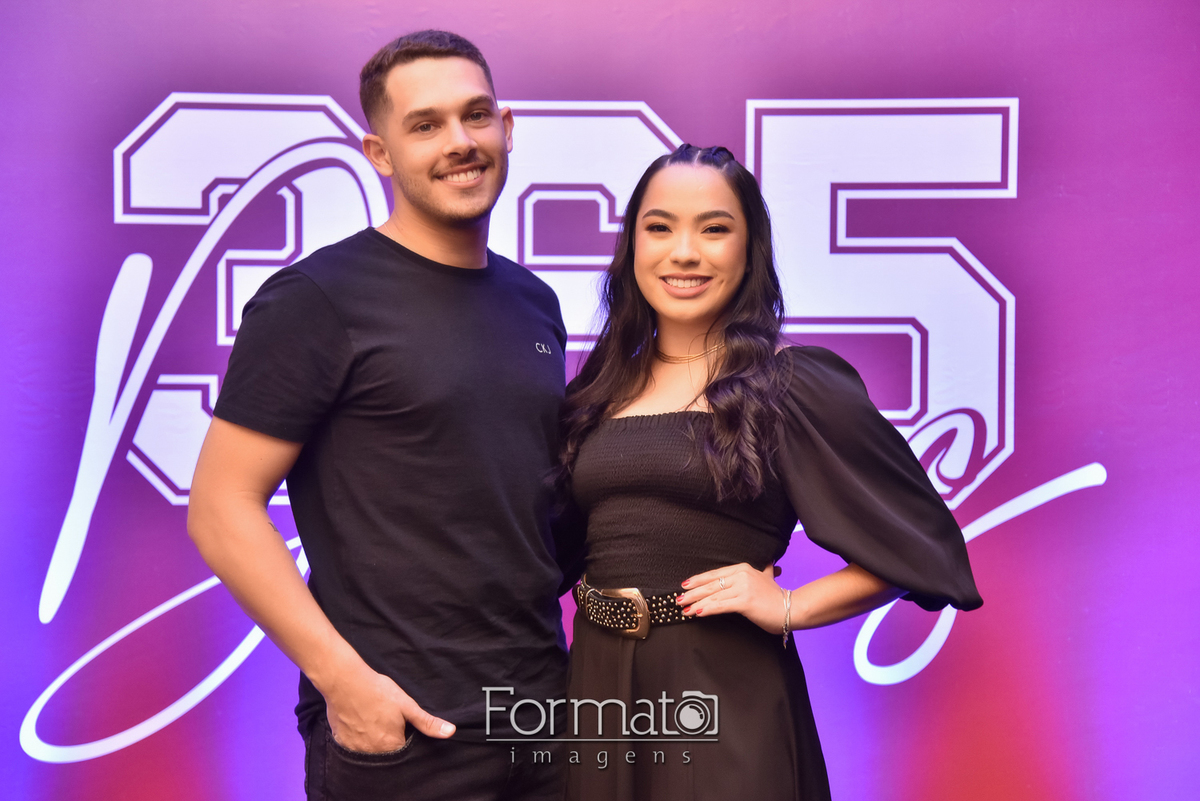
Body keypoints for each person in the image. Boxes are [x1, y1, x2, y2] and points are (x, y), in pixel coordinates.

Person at [187, 30, 569, 801]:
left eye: (476, 115)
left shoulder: (535, 301)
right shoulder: (317, 300)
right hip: (404, 733)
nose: (460, 142)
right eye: (425, 125)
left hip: (543, 719)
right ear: (380, 153)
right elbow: (220, 507)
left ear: (507, 127)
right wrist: (345, 683)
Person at [553, 144, 983, 800]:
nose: (684, 252)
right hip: (601, 693)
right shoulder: (594, 392)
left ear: (750, 251)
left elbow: (921, 547)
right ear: (631, 245)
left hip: (726, 695)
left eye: (714, 228)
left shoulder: (789, 385)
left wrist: (789, 606)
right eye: (660, 227)